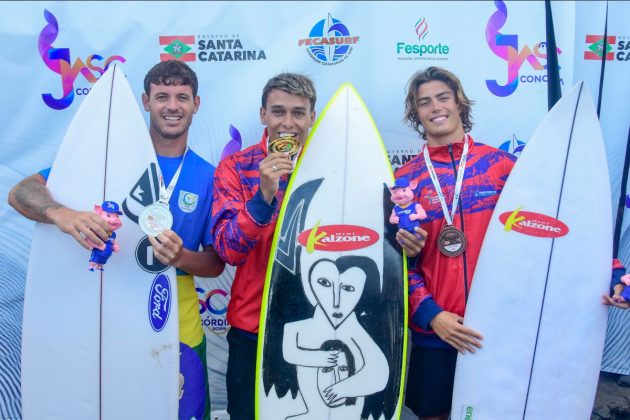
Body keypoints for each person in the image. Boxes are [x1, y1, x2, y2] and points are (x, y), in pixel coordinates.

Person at [8, 60, 224, 420]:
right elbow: (20, 192)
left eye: (182, 97)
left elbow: (216, 262)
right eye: (162, 96)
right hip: (109, 313)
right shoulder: (106, 162)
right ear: (145, 101)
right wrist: (63, 214)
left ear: (196, 104)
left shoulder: (209, 175)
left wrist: (181, 257)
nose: (172, 106)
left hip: (176, 320)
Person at [210, 72, 424, 420]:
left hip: (325, 330)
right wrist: (263, 196)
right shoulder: (237, 167)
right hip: (255, 328)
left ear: (313, 116)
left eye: (299, 112)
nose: (288, 123)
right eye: (278, 112)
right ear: (263, 115)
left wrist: (408, 242)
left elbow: (372, 248)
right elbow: (227, 250)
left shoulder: (341, 170)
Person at [394, 66, 516, 420]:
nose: (435, 107)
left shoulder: (502, 167)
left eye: (443, 97)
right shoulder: (405, 181)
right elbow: (397, 265)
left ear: (460, 102)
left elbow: (548, 231)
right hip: (437, 332)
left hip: (496, 328)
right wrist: (432, 316)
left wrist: (611, 275)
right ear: (416, 113)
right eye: (424, 102)